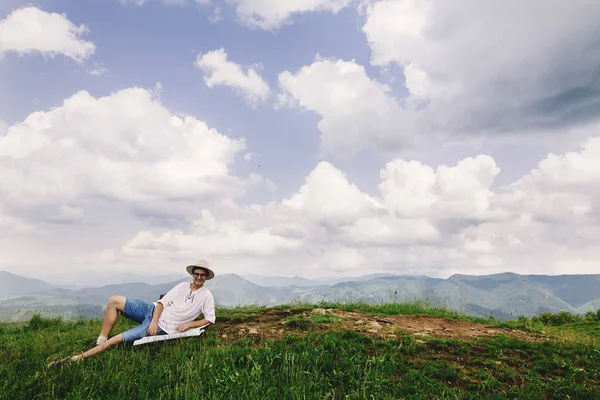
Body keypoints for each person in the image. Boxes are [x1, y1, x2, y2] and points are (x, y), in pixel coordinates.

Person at [48, 259, 216, 368]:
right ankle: (100, 340)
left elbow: (210, 319)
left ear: (206, 277)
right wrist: (154, 320)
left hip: (165, 327)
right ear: (193, 274)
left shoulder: (206, 295)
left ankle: (74, 359)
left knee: (116, 340)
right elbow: (161, 303)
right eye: (197, 274)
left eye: (202, 275)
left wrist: (188, 324)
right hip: (151, 312)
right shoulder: (181, 286)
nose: (199, 277)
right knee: (114, 300)